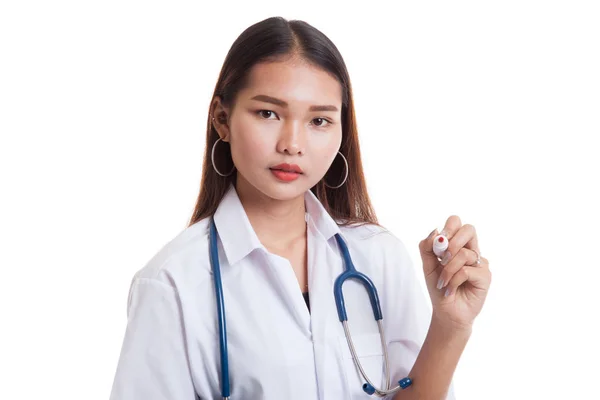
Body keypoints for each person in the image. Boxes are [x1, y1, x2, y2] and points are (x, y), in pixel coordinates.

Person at [109, 16, 491, 400]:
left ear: (342, 131)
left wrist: (450, 326)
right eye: (268, 113)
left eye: (319, 120)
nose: (292, 143)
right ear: (222, 119)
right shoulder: (171, 283)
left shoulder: (379, 256)